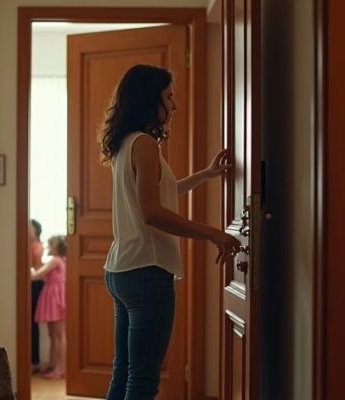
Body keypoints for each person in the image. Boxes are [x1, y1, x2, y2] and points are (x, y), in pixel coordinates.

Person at [98, 64, 242, 400]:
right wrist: (212, 233)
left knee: (124, 372)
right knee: (142, 380)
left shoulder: (125, 144)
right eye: (169, 96)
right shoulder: (146, 144)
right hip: (147, 272)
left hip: (121, 270)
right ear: (150, 100)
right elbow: (152, 213)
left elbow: (162, 193)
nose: (174, 105)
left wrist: (205, 174)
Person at [30, 235, 68, 380]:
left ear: (56, 247)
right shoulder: (61, 260)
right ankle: (53, 365)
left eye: (51, 244)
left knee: (59, 334)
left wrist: (30, 267)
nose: (48, 246)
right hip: (54, 297)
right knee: (54, 334)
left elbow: (36, 275)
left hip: (55, 298)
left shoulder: (55, 260)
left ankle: (61, 368)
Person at [28, 219, 45, 373]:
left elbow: (32, 266)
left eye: (30, 227)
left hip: (35, 284)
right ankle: (33, 361)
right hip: (32, 283)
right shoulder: (30, 245)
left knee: (32, 322)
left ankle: (34, 361)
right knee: (30, 323)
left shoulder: (36, 246)